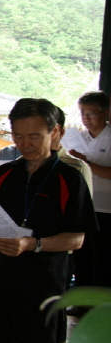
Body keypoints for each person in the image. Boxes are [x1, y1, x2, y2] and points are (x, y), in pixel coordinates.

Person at [0, 98, 98, 343]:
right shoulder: (4, 174)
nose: (25, 144)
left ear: (55, 132)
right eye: (19, 136)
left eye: (34, 136)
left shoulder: (70, 178)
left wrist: (33, 244)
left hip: (44, 283)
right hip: (2, 276)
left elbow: (77, 239)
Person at [68, 91, 111, 289]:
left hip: (106, 209)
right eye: (83, 113)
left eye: (91, 113)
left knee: (103, 259)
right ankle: (82, 300)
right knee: (81, 255)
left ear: (105, 112)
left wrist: (86, 163)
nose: (86, 119)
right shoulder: (78, 137)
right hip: (83, 204)